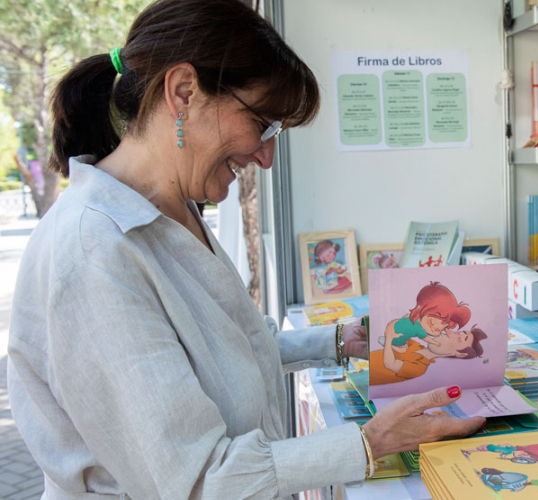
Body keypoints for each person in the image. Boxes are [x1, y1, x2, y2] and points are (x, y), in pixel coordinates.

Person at [7, 1, 484, 498]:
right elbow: (197, 480)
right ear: (183, 92)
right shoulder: (94, 250)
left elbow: (217, 355)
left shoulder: (172, 211)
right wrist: (371, 441)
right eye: (262, 124)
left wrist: (339, 342)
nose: (266, 156)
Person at [369, 327, 488, 385]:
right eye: (457, 332)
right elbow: (394, 346)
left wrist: (389, 340)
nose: (449, 333)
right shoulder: (415, 345)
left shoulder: (419, 368)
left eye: (459, 338)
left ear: (459, 354)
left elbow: (390, 364)